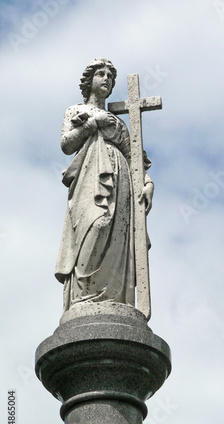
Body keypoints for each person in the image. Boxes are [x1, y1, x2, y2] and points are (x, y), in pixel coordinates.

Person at [55, 58, 154, 312]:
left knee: (119, 234)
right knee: (96, 224)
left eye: (110, 76)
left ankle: (116, 300)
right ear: (89, 81)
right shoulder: (76, 111)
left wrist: (147, 181)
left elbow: (135, 156)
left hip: (121, 180)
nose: (107, 79)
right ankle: (82, 299)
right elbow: (67, 145)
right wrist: (91, 124)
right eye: (101, 74)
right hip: (91, 176)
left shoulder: (117, 121)